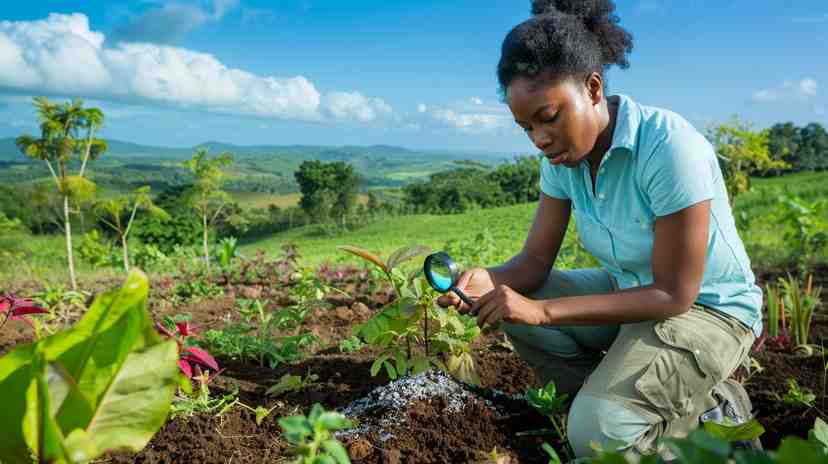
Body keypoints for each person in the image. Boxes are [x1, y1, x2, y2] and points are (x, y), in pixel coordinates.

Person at [436, 0, 763, 459]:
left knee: (596, 433)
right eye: (525, 127)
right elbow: (533, 263)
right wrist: (490, 280)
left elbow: (674, 295)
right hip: (632, 294)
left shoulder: (667, 146)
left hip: (708, 313)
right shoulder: (562, 161)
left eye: (548, 118)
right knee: (522, 304)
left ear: (593, 88)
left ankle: (713, 412)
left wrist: (542, 313)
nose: (539, 139)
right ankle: (604, 403)